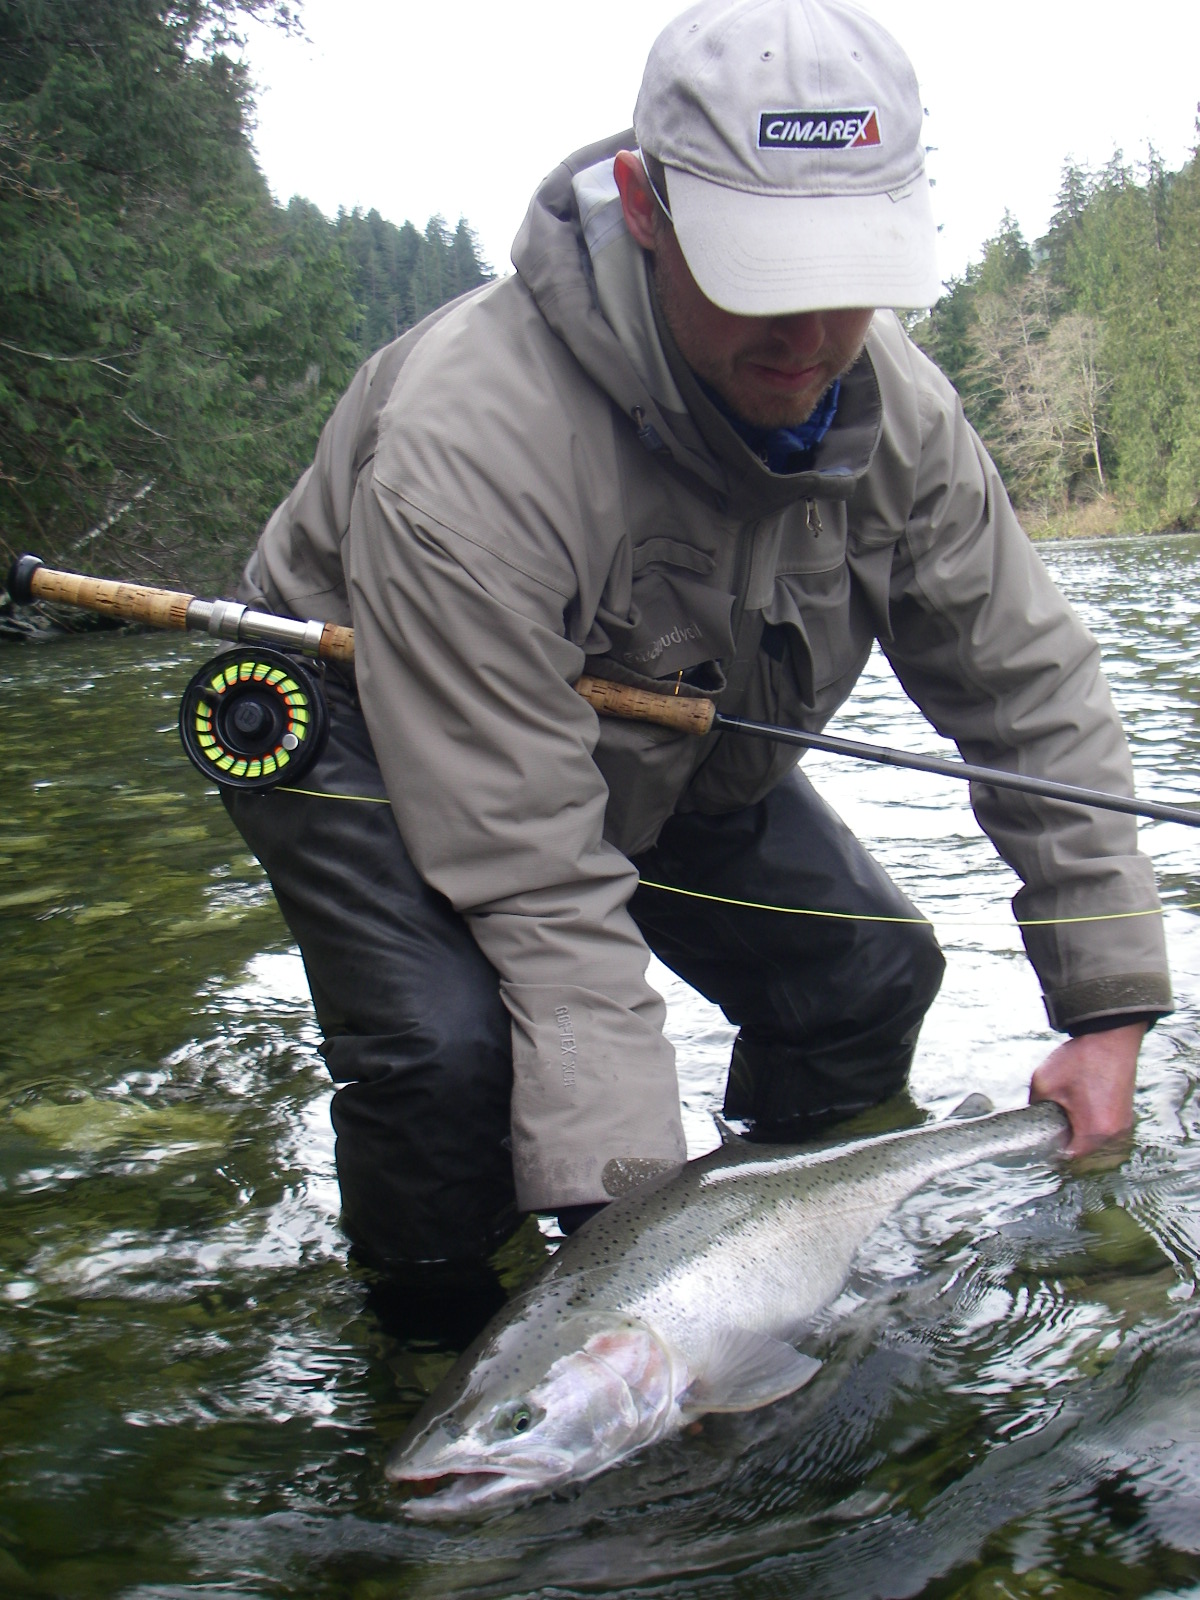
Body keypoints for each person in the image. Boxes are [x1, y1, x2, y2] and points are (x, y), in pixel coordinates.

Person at [225, 0, 1171, 1303]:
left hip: (667, 732)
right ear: (646, 203)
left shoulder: (900, 411)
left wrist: (1106, 1005)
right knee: (454, 1066)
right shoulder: (473, 443)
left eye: (850, 277)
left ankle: (797, 1290)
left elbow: (1030, 696)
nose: (810, 339)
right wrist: (622, 1255)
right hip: (372, 726)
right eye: (762, 275)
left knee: (862, 978)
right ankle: (435, 1366)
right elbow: (542, 884)